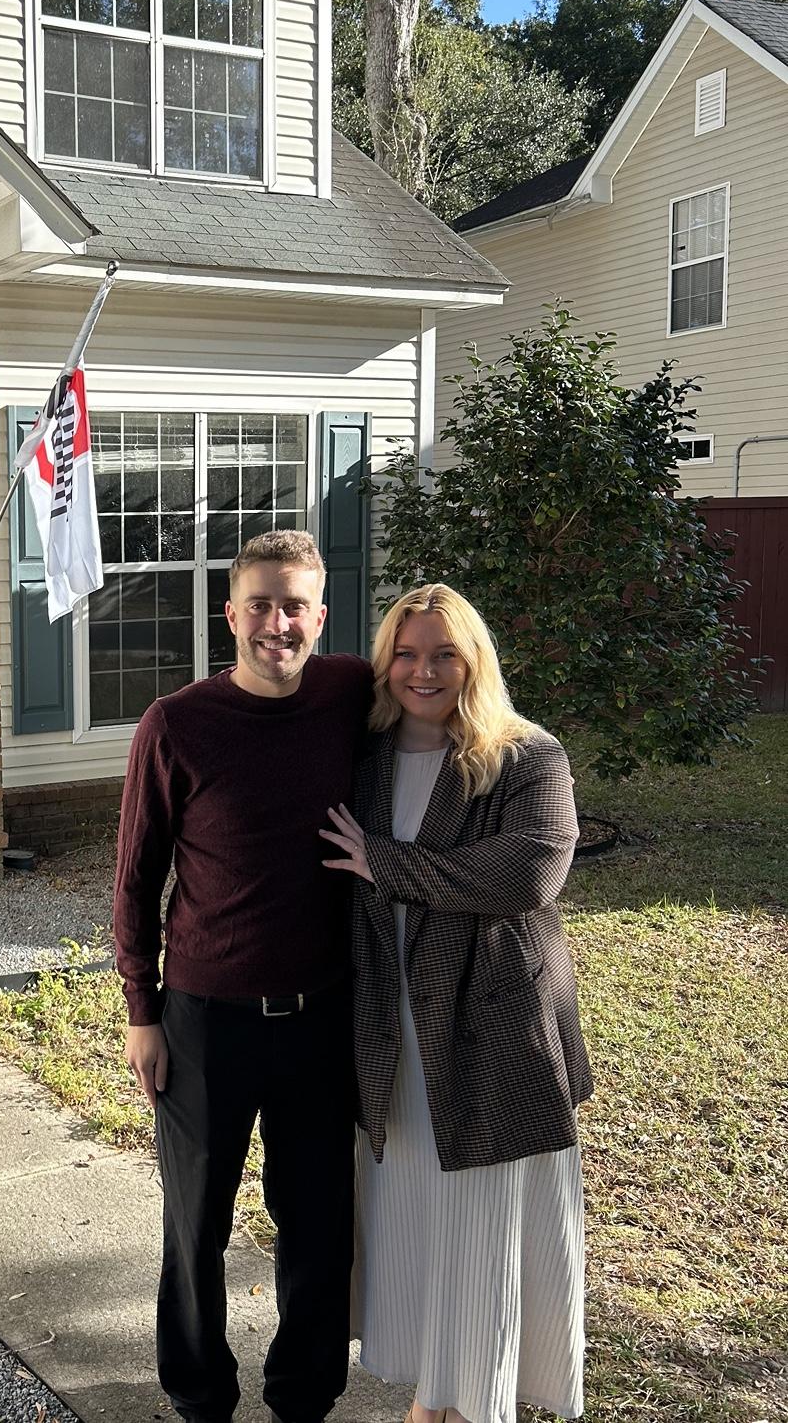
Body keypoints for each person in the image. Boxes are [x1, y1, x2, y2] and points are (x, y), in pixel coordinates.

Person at [114, 529, 373, 1423]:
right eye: (260, 604)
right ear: (230, 615)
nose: (277, 623)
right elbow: (136, 879)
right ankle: (200, 1398)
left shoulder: (348, 694)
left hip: (321, 1015)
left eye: (295, 605)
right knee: (196, 1226)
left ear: (321, 617)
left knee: (319, 1227)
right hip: (205, 1017)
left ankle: (304, 1399)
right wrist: (143, 1011)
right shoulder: (176, 724)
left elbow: (448, 697)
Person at [320, 583, 592, 1423]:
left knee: (481, 1219)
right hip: (388, 1023)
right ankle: (431, 1397)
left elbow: (527, 873)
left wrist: (384, 862)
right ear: (385, 663)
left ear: (475, 660)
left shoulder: (526, 755)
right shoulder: (363, 756)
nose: (424, 671)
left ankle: (471, 1399)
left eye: (444, 653)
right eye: (405, 653)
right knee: (411, 1211)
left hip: (491, 1030)